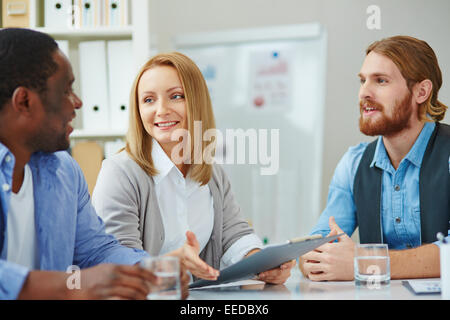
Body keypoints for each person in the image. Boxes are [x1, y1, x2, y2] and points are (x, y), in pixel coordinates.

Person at [0, 28, 189, 300]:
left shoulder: (64, 170)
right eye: (66, 90)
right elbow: (77, 282)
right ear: (24, 101)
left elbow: (95, 251)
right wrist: (71, 286)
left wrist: (149, 271)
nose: (77, 103)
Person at [92, 52, 295, 284]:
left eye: (176, 96)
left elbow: (233, 235)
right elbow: (117, 261)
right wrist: (169, 264)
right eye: (148, 100)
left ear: (196, 101)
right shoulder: (120, 173)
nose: (161, 110)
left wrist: (262, 263)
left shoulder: (211, 172)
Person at [300, 35, 449, 281]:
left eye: (380, 81)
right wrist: (312, 258)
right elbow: (315, 248)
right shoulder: (353, 163)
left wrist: (366, 262)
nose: (363, 93)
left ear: (421, 91)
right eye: (362, 81)